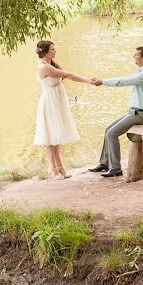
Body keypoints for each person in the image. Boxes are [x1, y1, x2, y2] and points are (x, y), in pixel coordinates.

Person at [87, 46, 143, 178]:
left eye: (136, 54)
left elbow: (122, 81)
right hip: (134, 112)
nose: (133, 56)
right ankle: (105, 163)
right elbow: (124, 78)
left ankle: (116, 169)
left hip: (140, 114)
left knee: (113, 133)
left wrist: (102, 82)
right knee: (108, 129)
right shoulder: (142, 71)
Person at [34, 40, 94, 180]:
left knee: (57, 134)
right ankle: (53, 169)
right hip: (49, 102)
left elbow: (61, 79)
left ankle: (60, 167)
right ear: (45, 52)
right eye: (53, 49)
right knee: (49, 136)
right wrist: (88, 80)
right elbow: (67, 75)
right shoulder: (43, 67)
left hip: (57, 101)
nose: (55, 51)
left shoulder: (51, 65)